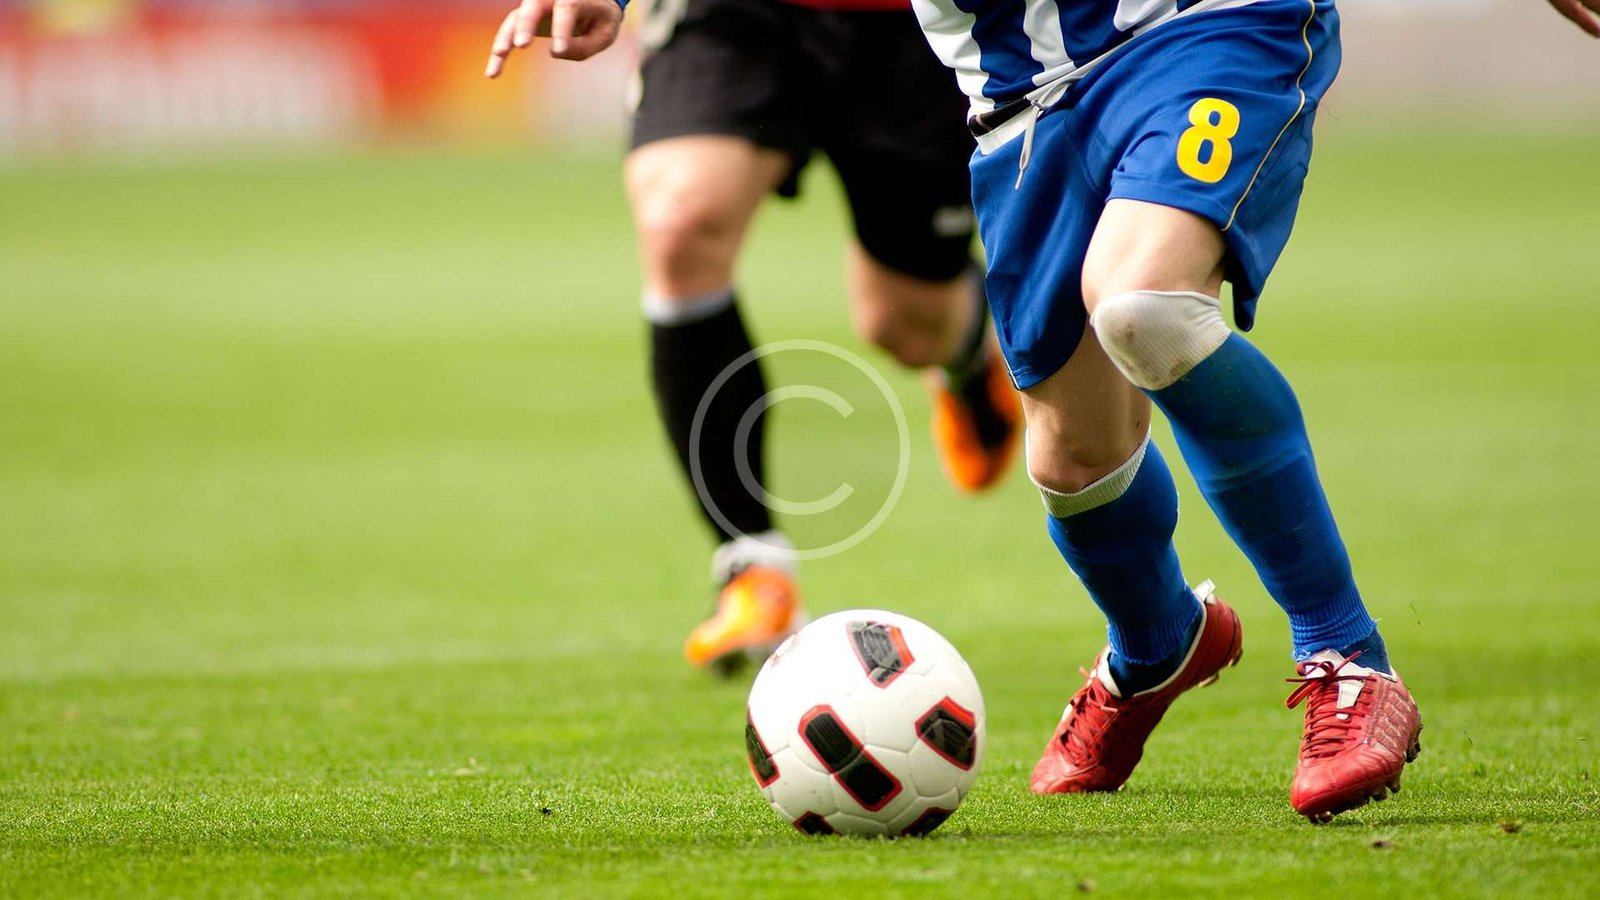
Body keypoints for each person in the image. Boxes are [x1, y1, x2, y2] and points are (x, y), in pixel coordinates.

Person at [487, 0, 1598, 822]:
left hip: (1204, 27)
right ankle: (1156, 645)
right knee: (1071, 458)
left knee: (1143, 306)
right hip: (1023, 97)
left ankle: (1348, 660)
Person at [487, 0, 1021, 678]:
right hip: (735, 13)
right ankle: (752, 569)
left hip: (911, 21)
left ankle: (966, 353)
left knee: (907, 324)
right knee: (680, 220)